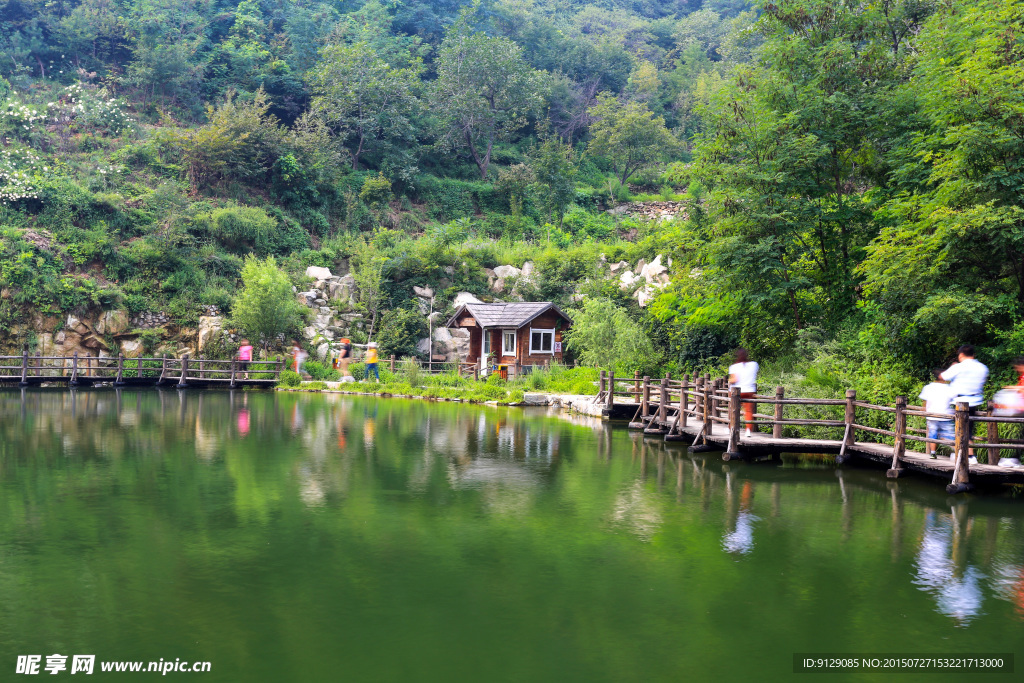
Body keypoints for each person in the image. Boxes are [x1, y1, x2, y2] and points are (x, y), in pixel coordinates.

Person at [940, 345, 988, 463]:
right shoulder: (982, 368)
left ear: (961, 355)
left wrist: (952, 367)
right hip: (974, 402)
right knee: (968, 431)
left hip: (959, 402)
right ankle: (970, 457)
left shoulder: (959, 367)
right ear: (973, 355)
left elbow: (943, 376)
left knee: (957, 430)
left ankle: (962, 454)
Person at [919, 369, 956, 457]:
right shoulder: (948, 388)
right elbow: (954, 400)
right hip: (945, 415)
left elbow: (925, 402)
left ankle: (933, 453)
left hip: (931, 415)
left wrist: (924, 411)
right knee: (949, 435)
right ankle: (958, 453)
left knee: (933, 434)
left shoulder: (928, 387)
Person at [728, 348, 759, 438]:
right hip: (750, 390)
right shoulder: (754, 364)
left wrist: (729, 380)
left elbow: (735, 379)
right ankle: (748, 430)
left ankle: (731, 427)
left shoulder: (734, 367)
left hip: (737, 392)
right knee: (748, 411)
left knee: (733, 410)